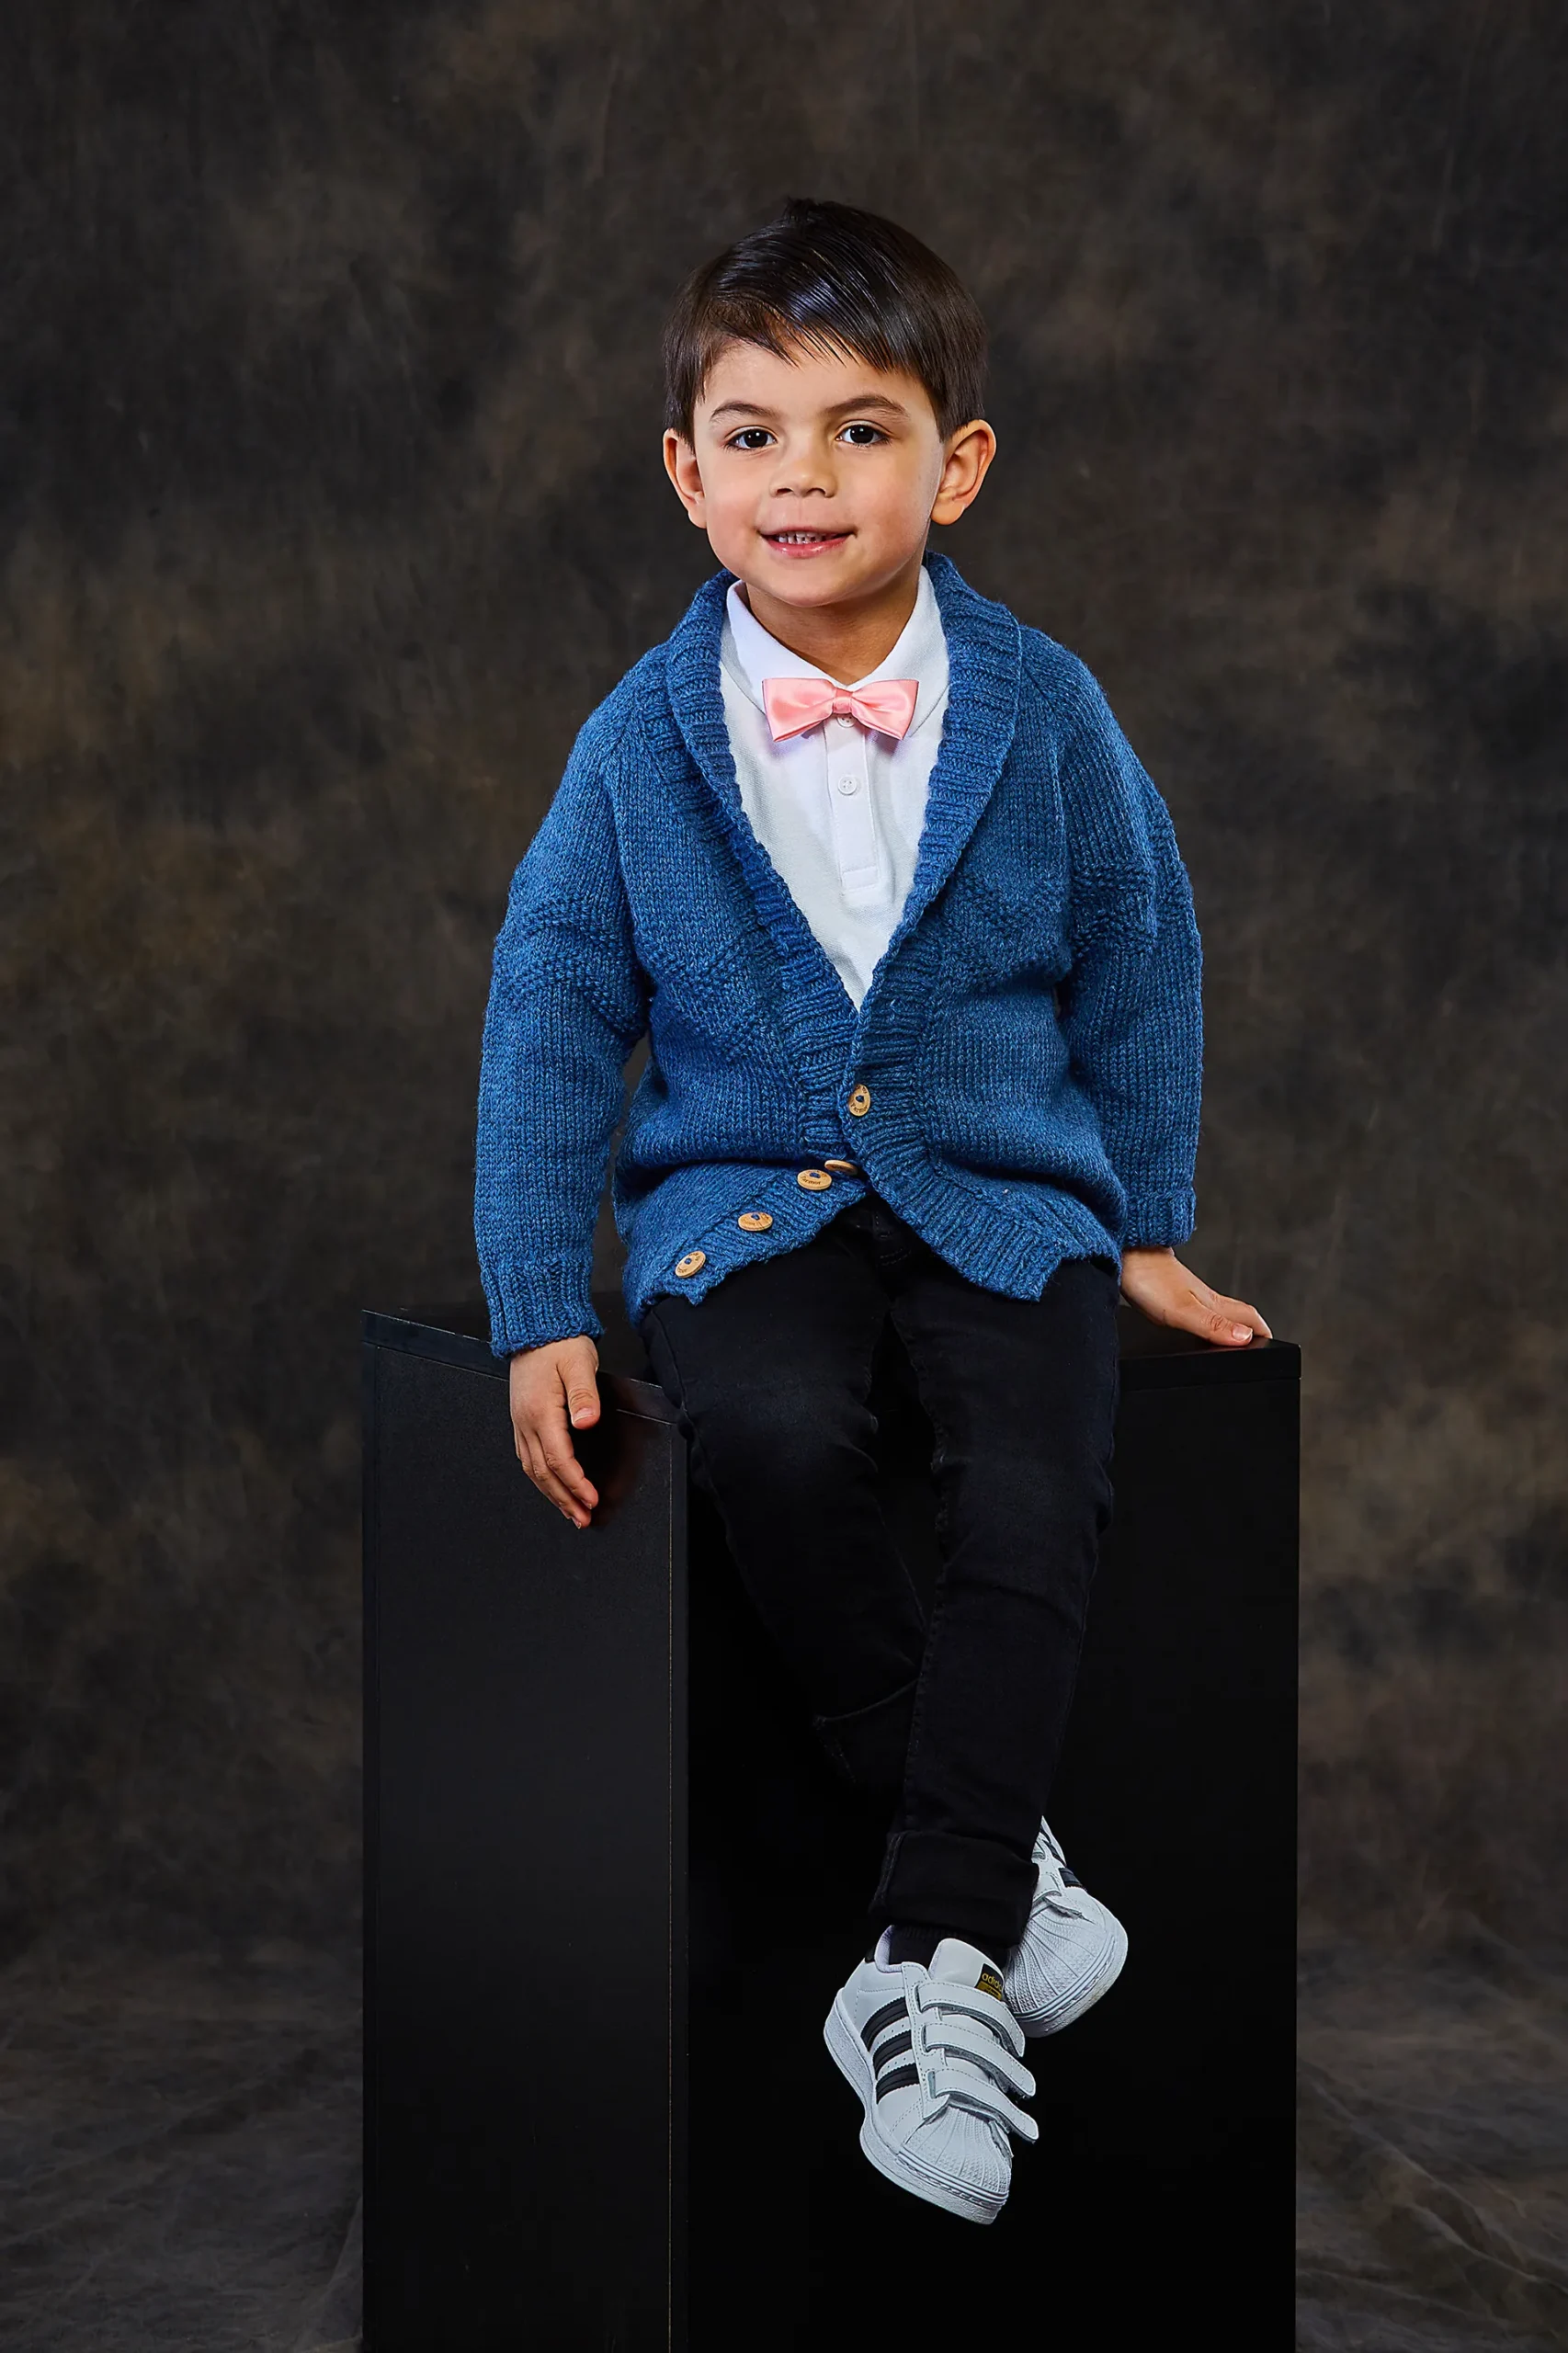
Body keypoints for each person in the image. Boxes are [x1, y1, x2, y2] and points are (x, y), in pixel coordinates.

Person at [474, 198, 1269, 2225]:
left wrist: (1144, 1222)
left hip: (1002, 1191)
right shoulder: (637, 742)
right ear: (686, 474)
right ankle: (995, 1874)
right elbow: (552, 1003)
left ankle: (921, 1965)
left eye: (860, 430)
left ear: (956, 465)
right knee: (765, 1430)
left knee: (1037, 1472)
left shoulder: (1045, 707)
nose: (802, 479)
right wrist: (536, 1298)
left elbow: (1143, 953)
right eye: (752, 435)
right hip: (741, 1204)